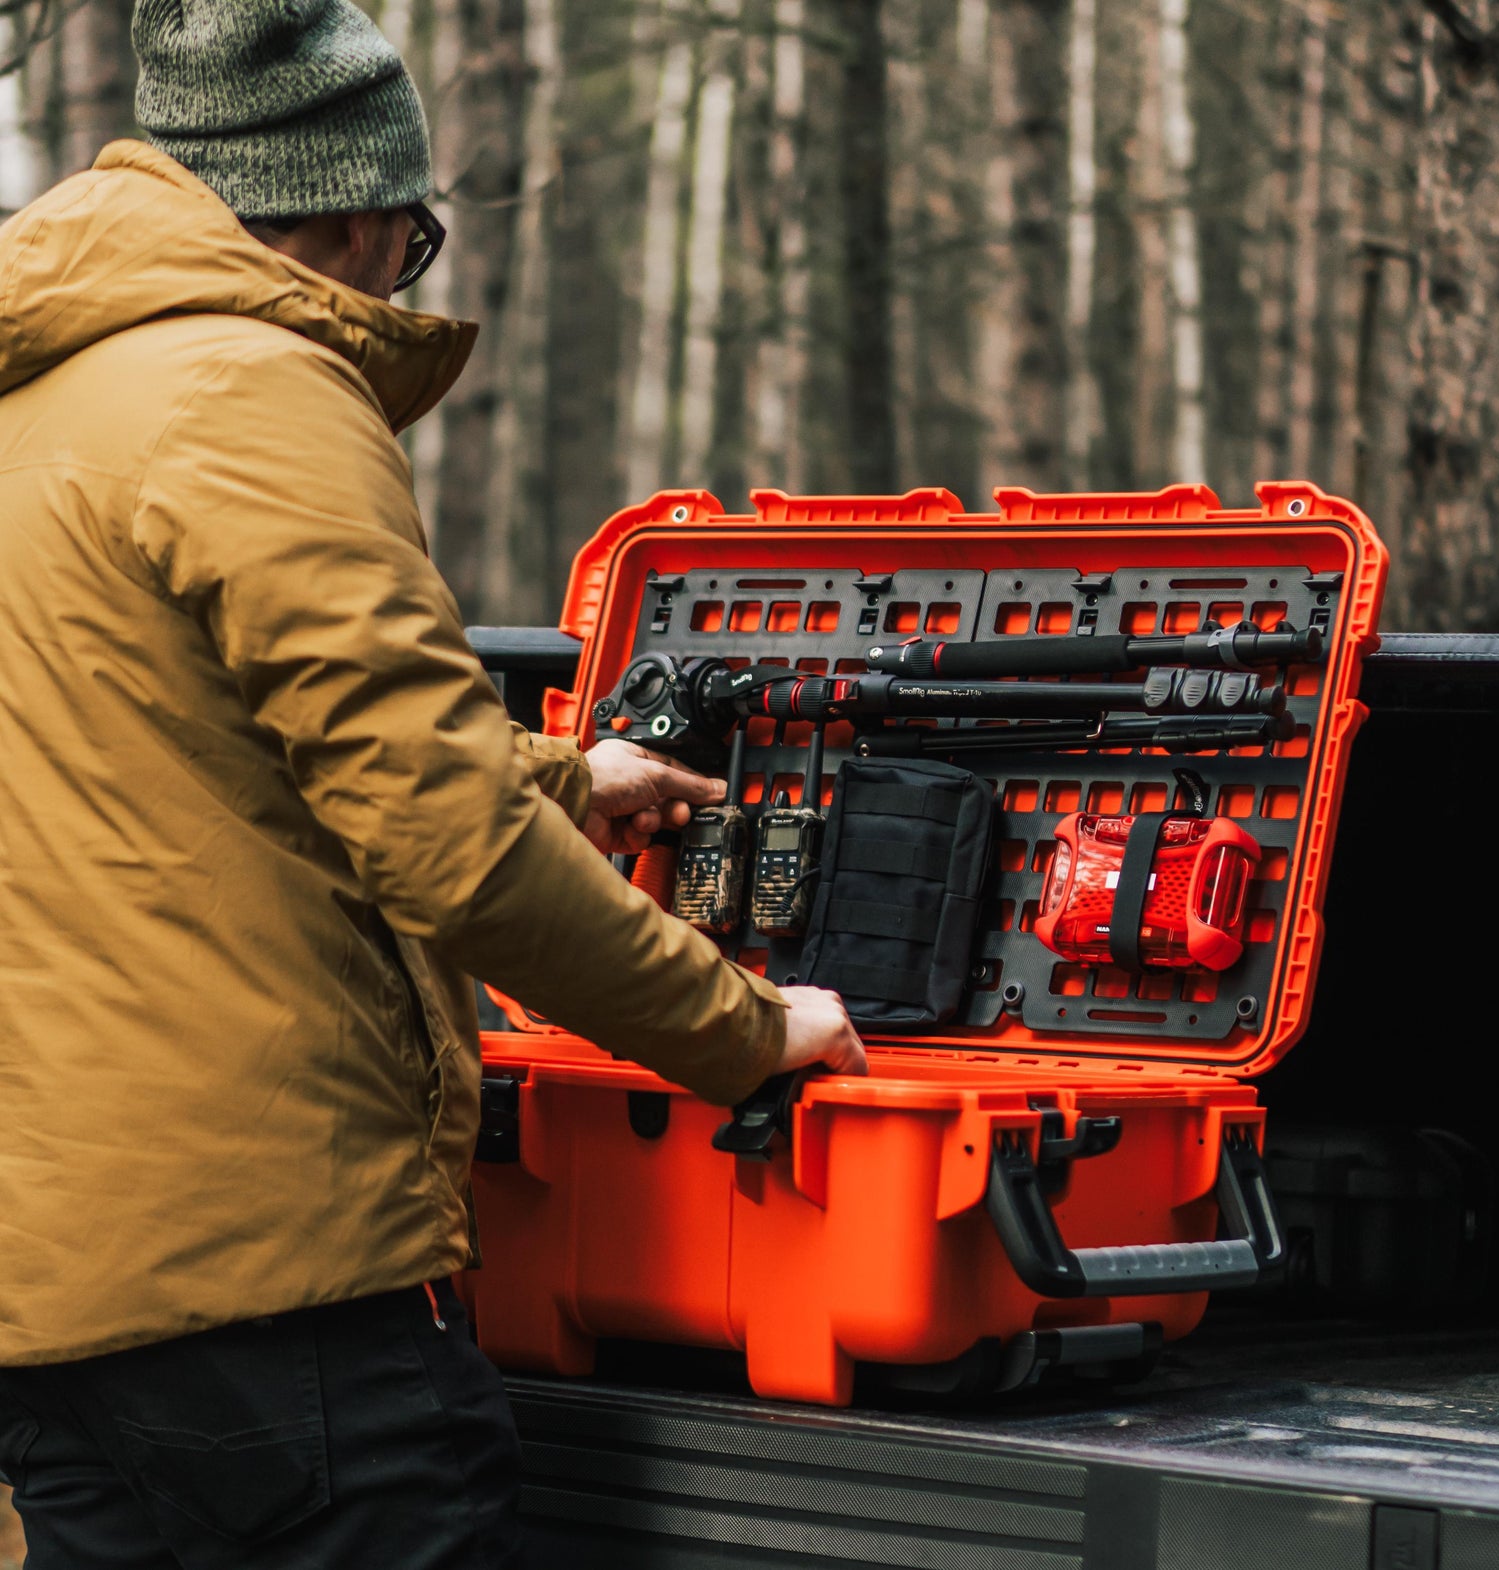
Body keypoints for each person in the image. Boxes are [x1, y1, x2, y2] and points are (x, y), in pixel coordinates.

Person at [0, 2, 867, 1566]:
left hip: (56, 1304)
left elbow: (159, 742)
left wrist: (560, 769)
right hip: (277, 1292)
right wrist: (745, 1031)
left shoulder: (43, 393)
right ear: (347, 211)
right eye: (415, 242)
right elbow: (449, 846)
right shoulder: (252, 388)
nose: (406, 275)